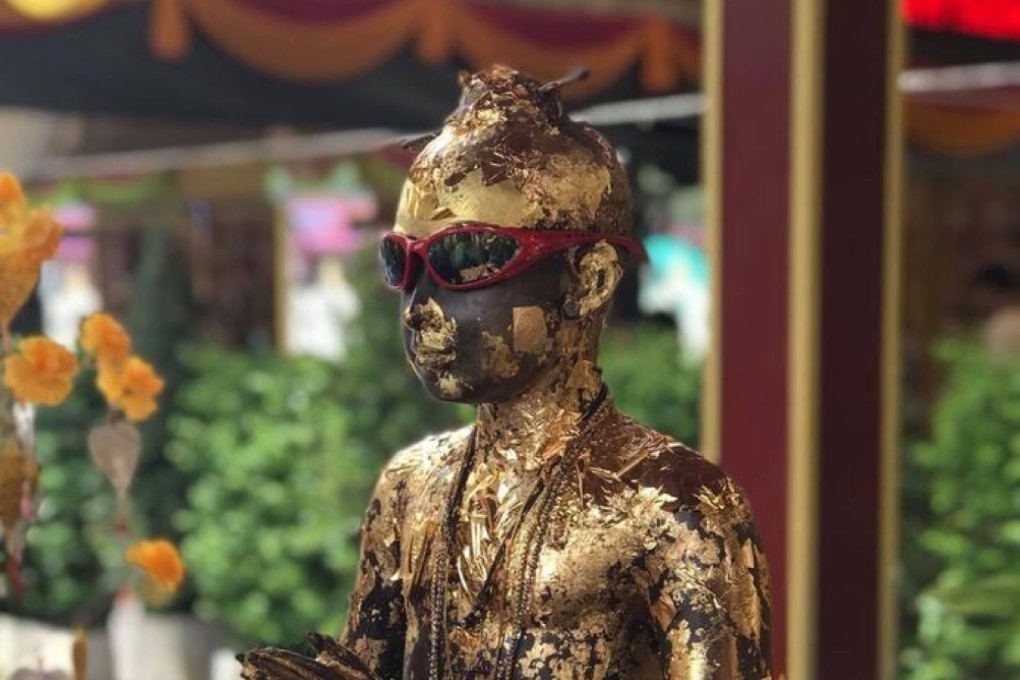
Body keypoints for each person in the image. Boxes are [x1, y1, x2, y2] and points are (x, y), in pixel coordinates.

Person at [241, 65, 772, 680]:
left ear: (589, 278)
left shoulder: (673, 505)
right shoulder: (412, 486)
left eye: (465, 259)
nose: (421, 308)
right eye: (403, 262)